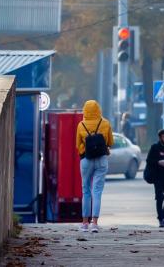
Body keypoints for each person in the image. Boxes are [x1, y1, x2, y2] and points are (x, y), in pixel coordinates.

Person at [75, 99, 114, 233]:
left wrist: (84, 149)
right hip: (102, 159)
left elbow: (77, 144)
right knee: (97, 191)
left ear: (85, 110)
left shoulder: (81, 125)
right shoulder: (105, 123)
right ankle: (95, 223)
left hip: (86, 159)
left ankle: (85, 223)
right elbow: (110, 141)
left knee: (85, 190)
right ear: (98, 109)